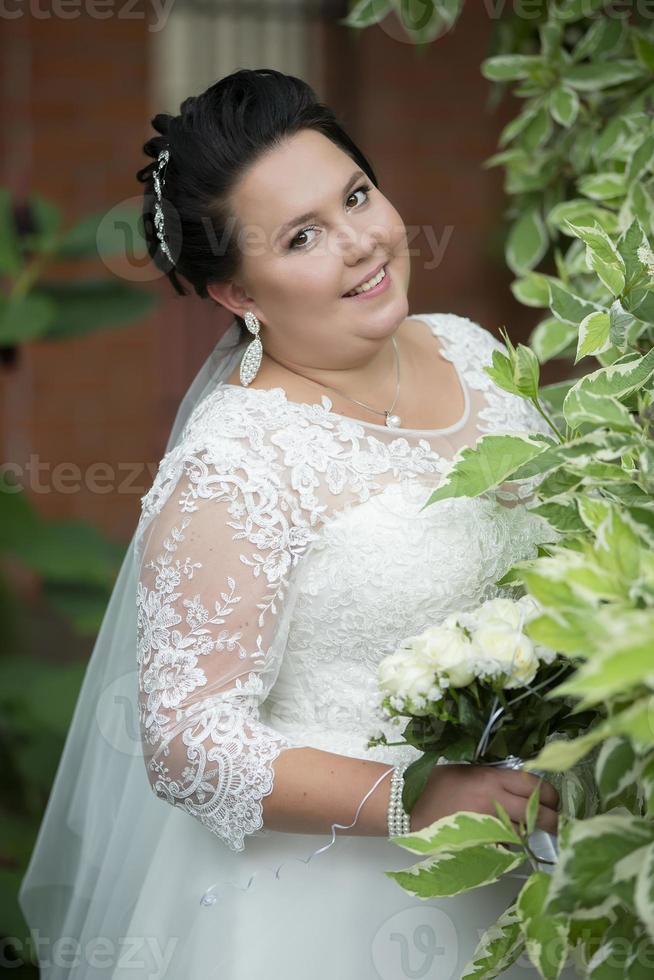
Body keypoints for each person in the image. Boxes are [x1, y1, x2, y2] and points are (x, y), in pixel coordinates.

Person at [19, 68, 573, 980]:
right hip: (335, 897)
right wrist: (417, 800)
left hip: (530, 853)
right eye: (303, 236)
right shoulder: (239, 462)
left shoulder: (469, 349)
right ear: (238, 295)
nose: (362, 244)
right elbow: (188, 743)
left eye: (357, 195)